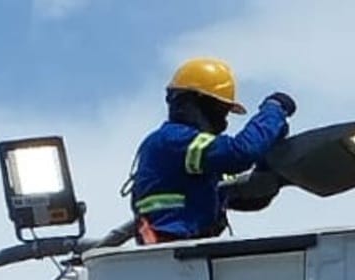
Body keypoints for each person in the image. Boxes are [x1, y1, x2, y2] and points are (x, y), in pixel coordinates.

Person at [126, 57, 295, 244]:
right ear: (197, 103)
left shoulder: (195, 164)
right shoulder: (173, 140)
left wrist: (269, 164)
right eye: (220, 111)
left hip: (184, 256)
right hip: (170, 254)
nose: (223, 122)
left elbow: (251, 199)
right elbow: (240, 153)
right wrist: (273, 111)